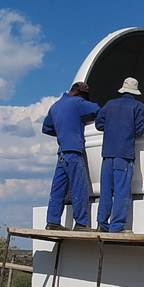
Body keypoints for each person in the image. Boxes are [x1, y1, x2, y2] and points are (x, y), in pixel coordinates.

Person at [95, 77, 144, 232]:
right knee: (122, 191)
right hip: (124, 154)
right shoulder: (137, 106)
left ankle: (102, 223)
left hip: (108, 153)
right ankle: (117, 226)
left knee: (106, 190)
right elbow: (140, 129)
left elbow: (99, 124)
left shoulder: (110, 104)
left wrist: (113, 127)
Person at [42, 81, 99, 230]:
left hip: (62, 153)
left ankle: (52, 222)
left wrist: (63, 131)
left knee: (58, 189)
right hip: (74, 152)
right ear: (78, 93)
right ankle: (81, 223)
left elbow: (46, 128)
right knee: (78, 187)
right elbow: (98, 110)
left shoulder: (55, 106)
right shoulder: (77, 102)